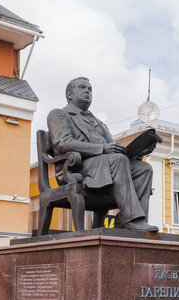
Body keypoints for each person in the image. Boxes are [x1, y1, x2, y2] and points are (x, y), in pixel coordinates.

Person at [47, 77, 158, 232]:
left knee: (144, 168)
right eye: (82, 87)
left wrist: (138, 152)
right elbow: (63, 142)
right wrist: (102, 149)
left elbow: (113, 150)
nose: (87, 91)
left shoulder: (99, 122)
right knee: (117, 160)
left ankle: (128, 221)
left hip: (107, 165)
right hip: (77, 168)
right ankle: (133, 219)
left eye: (90, 89)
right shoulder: (59, 114)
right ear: (69, 94)